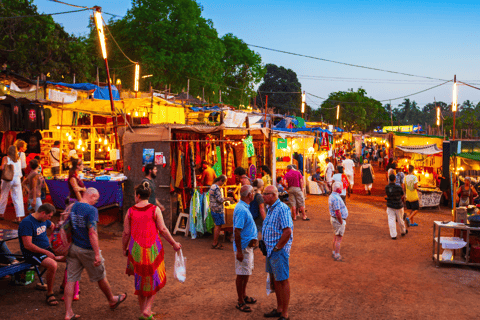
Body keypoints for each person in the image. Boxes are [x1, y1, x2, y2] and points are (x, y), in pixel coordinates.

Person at [64, 188, 127, 320]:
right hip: (87, 250)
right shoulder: (91, 210)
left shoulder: (73, 206)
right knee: (100, 276)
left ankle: (68, 312)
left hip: (74, 247)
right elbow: (92, 233)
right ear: (92, 196)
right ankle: (112, 299)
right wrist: (97, 253)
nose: (96, 202)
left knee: (70, 280)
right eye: (96, 199)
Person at [122, 183, 181, 320]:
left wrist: (124, 248)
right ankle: (147, 310)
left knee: (140, 280)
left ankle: (144, 311)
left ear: (137, 196)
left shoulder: (130, 211)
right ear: (148, 196)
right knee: (155, 278)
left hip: (136, 249)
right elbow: (163, 230)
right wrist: (174, 243)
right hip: (153, 248)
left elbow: (126, 233)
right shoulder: (155, 209)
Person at [262, 185, 293, 320]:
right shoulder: (270, 208)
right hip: (271, 250)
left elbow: (287, 231)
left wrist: (277, 247)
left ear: (273, 195)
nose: (263, 196)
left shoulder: (282, 209)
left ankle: (284, 313)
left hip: (277, 251)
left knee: (282, 280)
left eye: (265, 194)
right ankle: (279, 309)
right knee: (276, 280)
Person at [18, 203, 59, 306]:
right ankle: (50, 293)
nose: (49, 219)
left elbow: (52, 225)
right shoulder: (27, 223)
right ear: (43, 213)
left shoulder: (43, 220)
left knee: (70, 257)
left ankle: (65, 287)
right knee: (52, 265)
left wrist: (54, 238)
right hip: (32, 253)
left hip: (46, 249)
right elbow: (28, 245)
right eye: (49, 216)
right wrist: (46, 252)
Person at [233, 185, 258, 313]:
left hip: (246, 247)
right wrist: (239, 251)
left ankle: (243, 295)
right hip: (243, 248)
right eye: (253, 193)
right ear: (249, 195)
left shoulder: (244, 207)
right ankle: (240, 301)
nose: (254, 195)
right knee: (242, 274)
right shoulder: (242, 209)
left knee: (246, 273)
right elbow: (237, 231)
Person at [0, 145, 25, 223]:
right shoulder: (19, 159)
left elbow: (2, 167)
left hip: (7, 179)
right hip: (17, 179)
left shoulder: (5, 158)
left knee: (4, 196)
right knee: (18, 198)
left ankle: (1, 214)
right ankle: (18, 218)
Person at [208, 175, 232, 249]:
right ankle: (215, 243)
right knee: (218, 226)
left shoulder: (212, 186)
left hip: (214, 209)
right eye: (223, 182)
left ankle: (215, 242)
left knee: (217, 226)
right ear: (221, 181)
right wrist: (228, 198)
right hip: (217, 209)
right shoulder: (216, 188)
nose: (223, 184)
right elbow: (220, 200)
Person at [329, 182, 348, 261]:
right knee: (339, 238)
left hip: (335, 219)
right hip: (338, 220)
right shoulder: (336, 198)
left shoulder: (332, 196)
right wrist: (341, 222)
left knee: (335, 237)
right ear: (338, 189)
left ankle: (334, 252)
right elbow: (337, 212)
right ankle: (337, 254)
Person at [385, 174, 408, 240]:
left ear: (389, 179)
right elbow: (402, 195)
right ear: (395, 179)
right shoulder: (399, 187)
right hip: (398, 205)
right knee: (400, 219)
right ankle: (403, 231)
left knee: (391, 220)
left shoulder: (387, 187)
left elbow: (388, 194)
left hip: (390, 205)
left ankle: (393, 235)